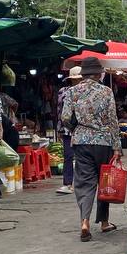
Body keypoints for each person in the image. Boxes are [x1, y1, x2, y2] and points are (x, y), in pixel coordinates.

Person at [63, 57, 121, 240]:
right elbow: (113, 120)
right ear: (98, 73)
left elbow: (65, 117)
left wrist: (76, 129)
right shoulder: (106, 91)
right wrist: (117, 147)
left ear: (83, 74)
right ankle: (104, 223)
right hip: (104, 142)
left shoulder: (72, 92)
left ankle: (84, 221)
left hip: (81, 142)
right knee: (105, 182)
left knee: (84, 182)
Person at [56, 67, 81, 196]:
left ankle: (81, 183)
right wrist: (59, 129)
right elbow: (60, 111)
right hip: (67, 130)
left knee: (83, 157)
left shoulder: (85, 91)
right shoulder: (63, 92)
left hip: (82, 130)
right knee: (68, 157)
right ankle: (67, 183)